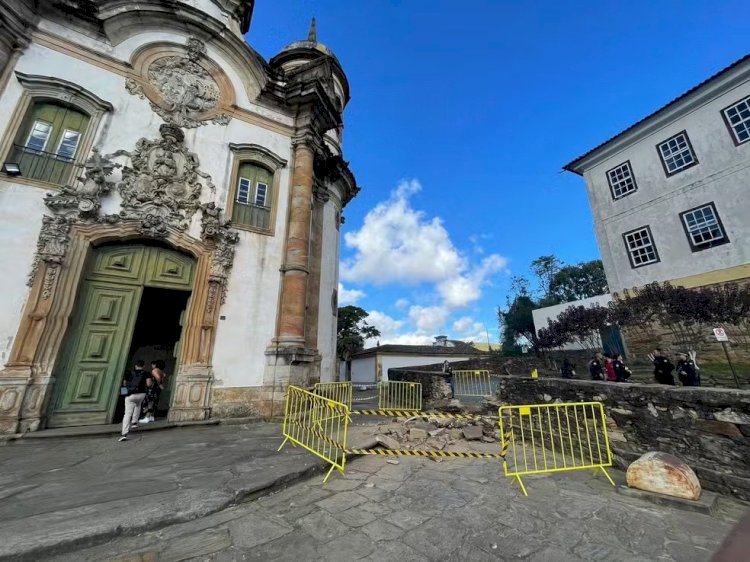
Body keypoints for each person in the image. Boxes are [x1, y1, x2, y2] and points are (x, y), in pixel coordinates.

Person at [120, 359, 153, 442]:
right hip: (141, 394)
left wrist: (124, 393)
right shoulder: (146, 373)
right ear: (143, 366)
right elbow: (149, 384)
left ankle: (124, 434)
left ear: (135, 366)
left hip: (130, 394)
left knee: (127, 414)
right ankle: (134, 423)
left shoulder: (129, 373)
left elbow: (124, 384)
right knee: (138, 405)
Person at [140, 359, 167, 424]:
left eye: (154, 364)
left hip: (153, 388)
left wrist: (158, 384)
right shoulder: (162, 372)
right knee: (154, 402)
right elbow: (162, 379)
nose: (152, 365)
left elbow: (157, 377)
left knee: (150, 402)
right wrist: (160, 384)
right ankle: (152, 417)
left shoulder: (155, 370)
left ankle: (147, 417)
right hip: (157, 389)